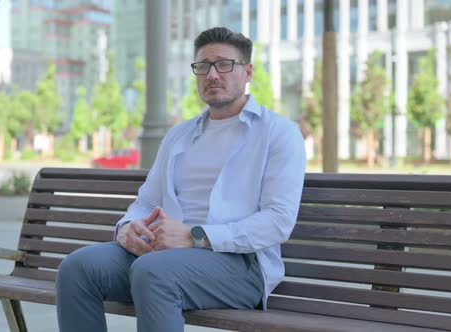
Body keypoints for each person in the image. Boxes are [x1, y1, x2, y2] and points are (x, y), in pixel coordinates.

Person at [56, 27, 306, 332]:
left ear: (248, 71)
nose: (212, 74)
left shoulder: (278, 133)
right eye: (203, 66)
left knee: (153, 272)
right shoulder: (180, 135)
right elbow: (147, 200)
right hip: (164, 255)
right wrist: (126, 229)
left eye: (224, 64)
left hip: (240, 264)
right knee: (77, 269)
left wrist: (194, 237)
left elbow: (278, 221)